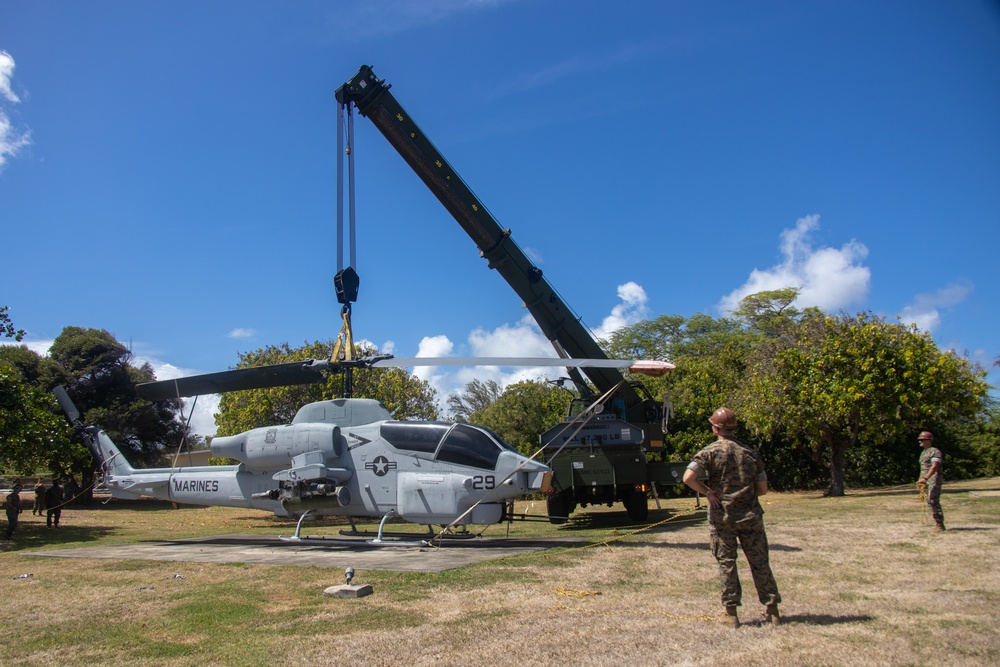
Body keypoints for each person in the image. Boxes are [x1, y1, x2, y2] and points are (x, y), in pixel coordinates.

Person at [683, 407, 782, 628]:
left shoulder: (709, 452)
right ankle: (772, 610)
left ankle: (731, 614)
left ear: (715, 428)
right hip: (751, 517)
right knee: (760, 562)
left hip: (723, 518)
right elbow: (763, 489)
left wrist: (708, 492)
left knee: (727, 564)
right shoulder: (750, 453)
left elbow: (688, 477)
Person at [916, 431, 945, 531]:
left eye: (922, 439)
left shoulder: (935, 452)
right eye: (919, 439)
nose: (920, 441)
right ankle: (937, 522)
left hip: (934, 480)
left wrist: (926, 478)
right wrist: (921, 479)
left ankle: (940, 524)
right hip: (926, 481)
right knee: (929, 501)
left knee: (933, 500)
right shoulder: (924, 453)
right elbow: (923, 468)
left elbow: (934, 466)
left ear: (929, 440)